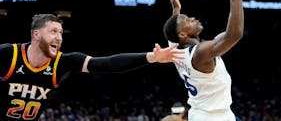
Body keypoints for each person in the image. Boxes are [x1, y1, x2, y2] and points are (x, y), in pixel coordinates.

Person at [0, 13, 185, 120]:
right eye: (53, 31)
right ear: (37, 34)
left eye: (61, 33)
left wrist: (151, 57)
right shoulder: (9, 54)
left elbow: (106, 63)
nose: (59, 37)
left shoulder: (64, 62)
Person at [163, 0, 244, 121]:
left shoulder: (175, 49)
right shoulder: (200, 54)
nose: (192, 18)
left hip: (211, 114)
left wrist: (176, 11)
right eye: (187, 21)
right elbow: (234, 34)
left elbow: (172, 33)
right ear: (183, 36)